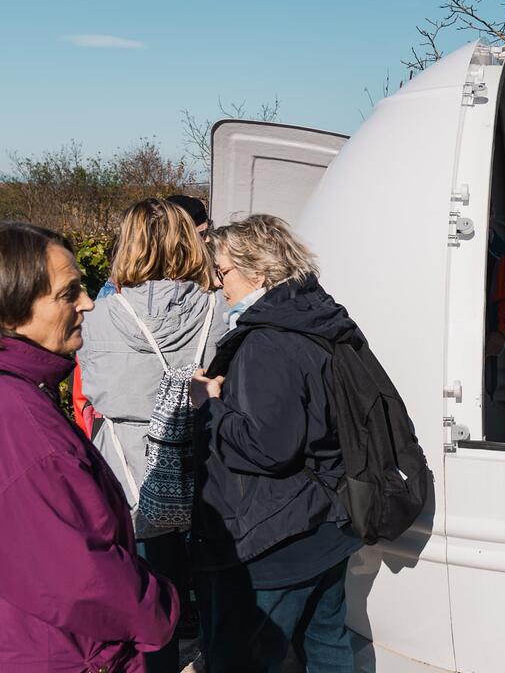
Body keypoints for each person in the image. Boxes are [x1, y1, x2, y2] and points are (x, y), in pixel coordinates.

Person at [0, 221, 178, 671]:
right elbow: (77, 575)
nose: (86, 303)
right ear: (10, 312)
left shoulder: (24, 395)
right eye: (68, 292)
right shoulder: (22, 423)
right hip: (66, 652)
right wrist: (159, 604)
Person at [189, 214, 361, 671]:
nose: (217, 283)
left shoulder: (268, 340)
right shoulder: (317, 318)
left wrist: (208, 404)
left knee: (251, 658)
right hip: (327, 520)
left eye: (222, 271)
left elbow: (268, 446)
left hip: (281, 535)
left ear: (257, 272)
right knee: (328, 647)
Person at [78, 197, 225, 670]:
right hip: (208, 463)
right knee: (218, 591)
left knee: (149, 598)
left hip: (134, 472)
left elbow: (99, 392)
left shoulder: (100, 317)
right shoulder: (217, 308)